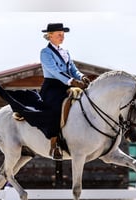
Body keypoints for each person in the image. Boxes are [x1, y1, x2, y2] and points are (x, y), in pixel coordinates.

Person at [39, 23, 90, 160]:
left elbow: (73, 69)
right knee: (56, 108)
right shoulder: (45, 52)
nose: (62, 37)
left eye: (63, 34)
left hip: (68, 85)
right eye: (59, 34)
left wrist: (82, 77)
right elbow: (55, 71)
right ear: (50, 36)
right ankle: (54, 143)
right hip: (53, 86)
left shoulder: (65, 51)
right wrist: (73, 82)